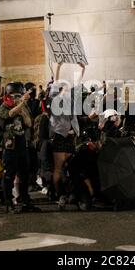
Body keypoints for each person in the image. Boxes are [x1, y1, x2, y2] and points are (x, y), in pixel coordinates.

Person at [0, 82, 40, 213]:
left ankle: (25, 200)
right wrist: (21, 104)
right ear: (8, 96)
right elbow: (8, 114)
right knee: (9, 175)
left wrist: (22, 110)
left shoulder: (23, 107)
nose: (18, 98)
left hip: (22, 144)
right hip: (10, 146)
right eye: (15, 96)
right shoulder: (2, 107)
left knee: (24, 174)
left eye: (20, 96)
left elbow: (29, 123)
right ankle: (9, 202)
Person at [50, 63, 84, 210]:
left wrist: (83, 69)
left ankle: (69, 195)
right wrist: (58, 67)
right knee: (59, 169)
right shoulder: (56, 99)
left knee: (70, 168)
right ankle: (61, 196)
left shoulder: (71, 99)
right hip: (60, 136)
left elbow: (77, 85)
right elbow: (56, 83)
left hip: (70, 137)